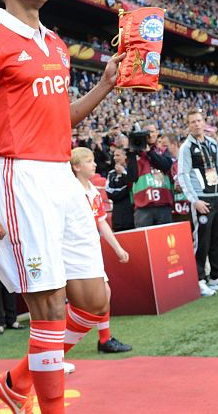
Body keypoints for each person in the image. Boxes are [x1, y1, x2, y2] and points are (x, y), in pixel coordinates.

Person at [0, 0, 124, 414]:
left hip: (60, 172)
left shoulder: (54, 43)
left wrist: (104, 85)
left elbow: (61, 121)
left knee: (94, 302)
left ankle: (18, 382)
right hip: (19, 175)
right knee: (48, 306)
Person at [70, 148, 132, 354]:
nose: (94, 164)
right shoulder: (69, 191)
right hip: (72, 252)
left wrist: (118, 248)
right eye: (88, 161)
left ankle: (104, 340)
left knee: (104, 293)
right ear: (76, 166)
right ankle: (56, 350)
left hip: (91, 251)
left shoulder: (94, 192)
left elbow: (102, 223)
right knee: (85, 302)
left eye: (93, 160)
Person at [178, 111, 218, 297]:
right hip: (202, 199)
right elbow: (183, 175)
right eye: (192, 122)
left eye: (199, 120)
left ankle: (217, 276)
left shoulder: (212, 143)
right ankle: (199, 280)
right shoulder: (186, 148)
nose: (197, 124)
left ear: (204, 122)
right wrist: (194, 200)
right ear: (188, 126)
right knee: (202, 242)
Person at [126, 122, 174, 228]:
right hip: (143, 208)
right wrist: (131, 154)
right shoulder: (135, 154)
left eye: (152, 132)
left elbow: (165, 165)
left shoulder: (163, 151)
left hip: (163, 204)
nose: (149, 135)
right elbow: (131, 177)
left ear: (157, 133)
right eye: (146, 132)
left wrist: (149, 152)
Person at [104, 147, 135, 231]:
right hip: (118, 216)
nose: (114, 158)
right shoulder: (111, 173)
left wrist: (124, 173)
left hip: (133, 215)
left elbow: (133, 186)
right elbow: (109, 193)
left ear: (125, 156)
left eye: (117, 155)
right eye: (114, 155)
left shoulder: (133, 171)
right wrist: (127, 189)